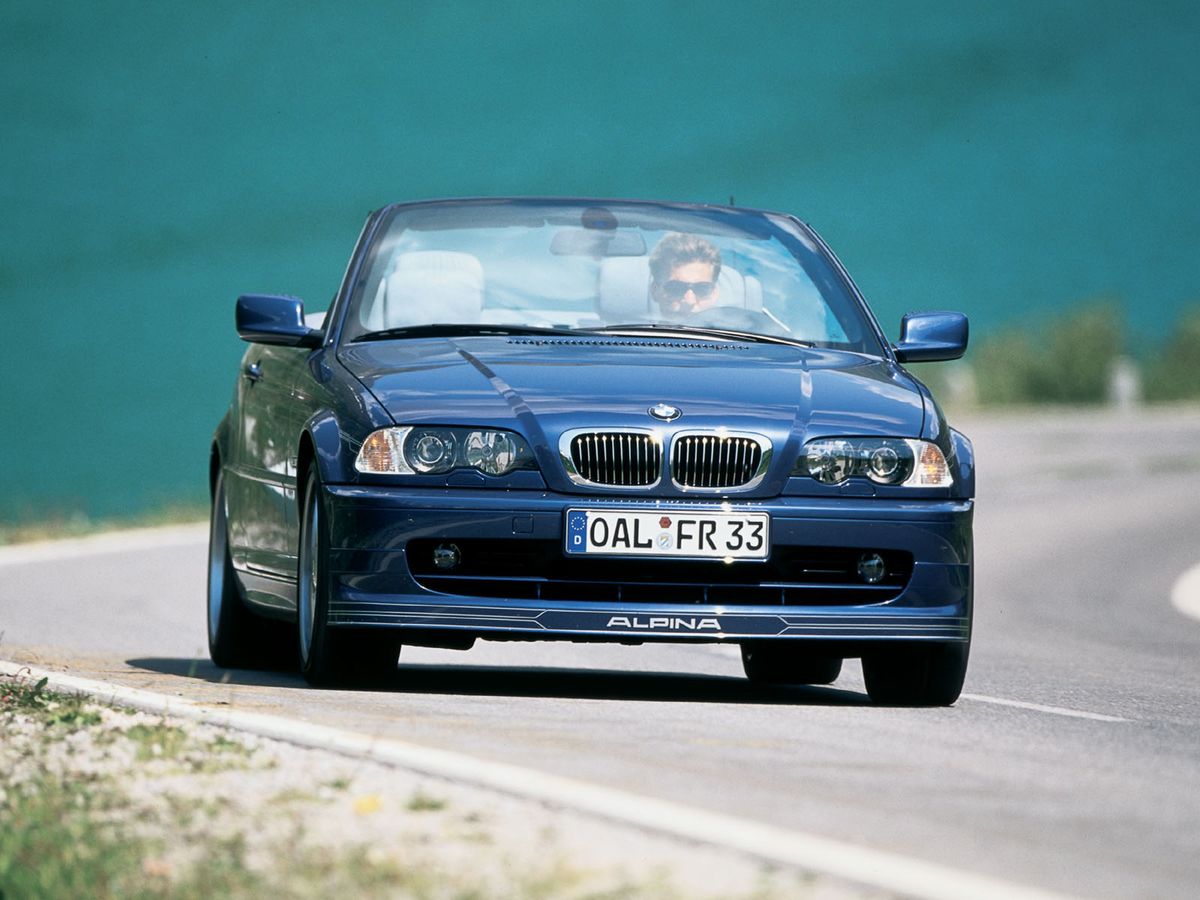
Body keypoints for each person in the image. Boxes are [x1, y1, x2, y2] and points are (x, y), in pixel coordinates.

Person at [648, 232, 721, 318]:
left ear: (714, 294)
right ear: (655, 291)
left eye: (702, 289)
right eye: (676, 288)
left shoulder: (736, 328)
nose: (689, 301)